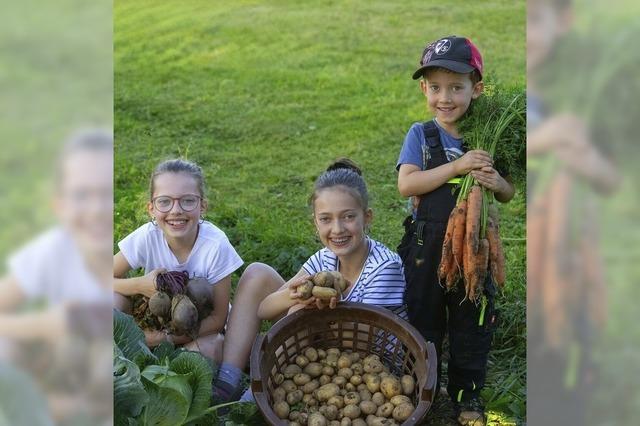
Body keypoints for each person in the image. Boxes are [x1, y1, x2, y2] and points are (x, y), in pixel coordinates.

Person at [211, 158, 407, 403]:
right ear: (315, 223)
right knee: (257, 274)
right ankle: (227, 380)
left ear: (367, 217)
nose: (337, 229)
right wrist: (292, 294)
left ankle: (261, 391)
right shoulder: (324, 258)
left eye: (348, 217)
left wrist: (308, 311)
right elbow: (264, 308)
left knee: (297, 313)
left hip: (366, 365)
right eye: (326, 219)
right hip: (322, 346)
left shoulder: (384, 267)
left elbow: (363, 343)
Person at [396, 36, 515, 426]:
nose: (444, 98)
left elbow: (509, 194)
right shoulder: (421, 135)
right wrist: (457, 167)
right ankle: (421, 389)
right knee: (423, 321)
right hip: (426, 248)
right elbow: (407, 185)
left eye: (456, 88)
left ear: (476, 90)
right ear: (423, 89)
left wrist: (495, 181)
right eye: (435, 88)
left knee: (471, 327)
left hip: (475, 249)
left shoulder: (488, 138)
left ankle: (467, 396)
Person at [527, 1, 620, 424]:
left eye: (533, 19)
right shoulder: (507, 104)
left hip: (569, 254)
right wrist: (543, 140)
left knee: (570, 344)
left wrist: (584, 160)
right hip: (532, 260)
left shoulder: (578, 97)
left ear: (562, 23)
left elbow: (610, 178)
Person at [0, 128, 113, 423]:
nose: (97, 209)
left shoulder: (133, 252)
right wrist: (43, 325)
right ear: (59, 204)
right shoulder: (55, 250)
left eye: (108, 193)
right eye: (81, 195)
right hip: (64, 383)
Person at [113, 159, 243, 362]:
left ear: (203, 206)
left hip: (198, 331)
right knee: (111, 301)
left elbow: (218, 319)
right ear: (151, 209)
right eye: (164, 201)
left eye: (188, 200)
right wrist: (140, 285)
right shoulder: (147, 236)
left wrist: (163, 339)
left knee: (212, 347)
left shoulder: (216, 245)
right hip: (154, 320)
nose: (176, 210)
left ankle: (156, 358)